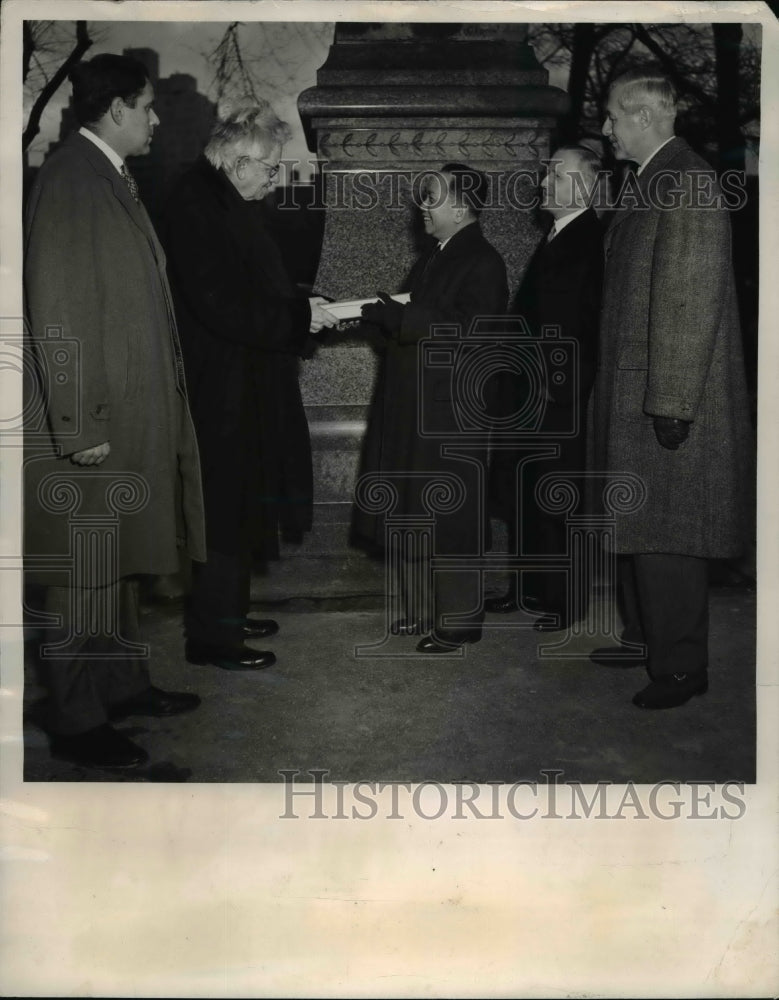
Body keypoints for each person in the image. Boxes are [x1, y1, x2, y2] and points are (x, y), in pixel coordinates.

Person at [24, 53, 206, 769]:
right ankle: (74, 718)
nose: (156, 120)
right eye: (149, 107)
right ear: (118, 109)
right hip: (94, 422)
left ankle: (121, 686)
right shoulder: (74, 179)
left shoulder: (101, 176)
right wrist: (78, 425)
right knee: (80, 572)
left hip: (120, 413)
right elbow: (57, 308)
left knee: (118, 563)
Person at [589, 68, 752, 709]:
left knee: (670, 532)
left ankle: (682, 666)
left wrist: (675, 401)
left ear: (645, 116)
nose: (605, 129)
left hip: (665, 392)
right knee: (643, 525)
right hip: (642, 387)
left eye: (611, 117)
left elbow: (688, 297)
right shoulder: (656, 179)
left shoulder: (684, 179)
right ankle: (645, 638)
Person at [161, 100, 336, 671]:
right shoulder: (197, 204)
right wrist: (299, 319)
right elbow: (222, 304)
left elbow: (250, 288)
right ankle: (215, 638)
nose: (275, 177)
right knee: (224, 508)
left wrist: (302, 305)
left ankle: (228, 616)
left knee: (237, 505)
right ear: (239, 164)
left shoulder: (217, 199)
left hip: (240, 380)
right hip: (224, 387)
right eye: (270, 167)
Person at [357, 163, 508, 653]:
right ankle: (425, 611)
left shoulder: (483, 260)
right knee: (418, 508)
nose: (423, 205)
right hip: (420, 406)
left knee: (451, 513)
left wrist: (400, 317)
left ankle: (460, 621)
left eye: (433, 197)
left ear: (461, 205)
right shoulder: (438, 256)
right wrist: (381, 318)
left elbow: (469, 331)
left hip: (449, 413)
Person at [487, 145, 604, 631]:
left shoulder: (590, 238)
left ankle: (565, 603)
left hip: (559, 398)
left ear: (587, 185)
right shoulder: (558, 236)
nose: (543, 183)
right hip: (534, 395)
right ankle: (529, 588)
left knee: (557, 501)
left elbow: (582, 325)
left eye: (557, 174)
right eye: (546, 173)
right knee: (525, 496)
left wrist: (556, 390)